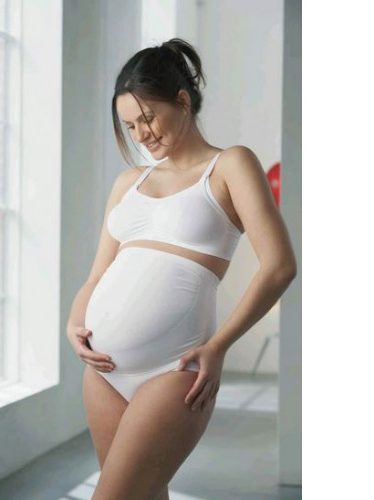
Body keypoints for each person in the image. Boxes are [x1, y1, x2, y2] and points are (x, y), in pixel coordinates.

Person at [66, 38, 297, 500]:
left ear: (183, 101)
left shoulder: (229, 165)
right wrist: (74, 323)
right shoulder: (128, 182)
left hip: (175, 371)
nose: (141, 134)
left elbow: (279, 266)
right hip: (102, 372)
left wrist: (219, 346)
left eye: (148, 117)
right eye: (130, 125)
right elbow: (96, 276)